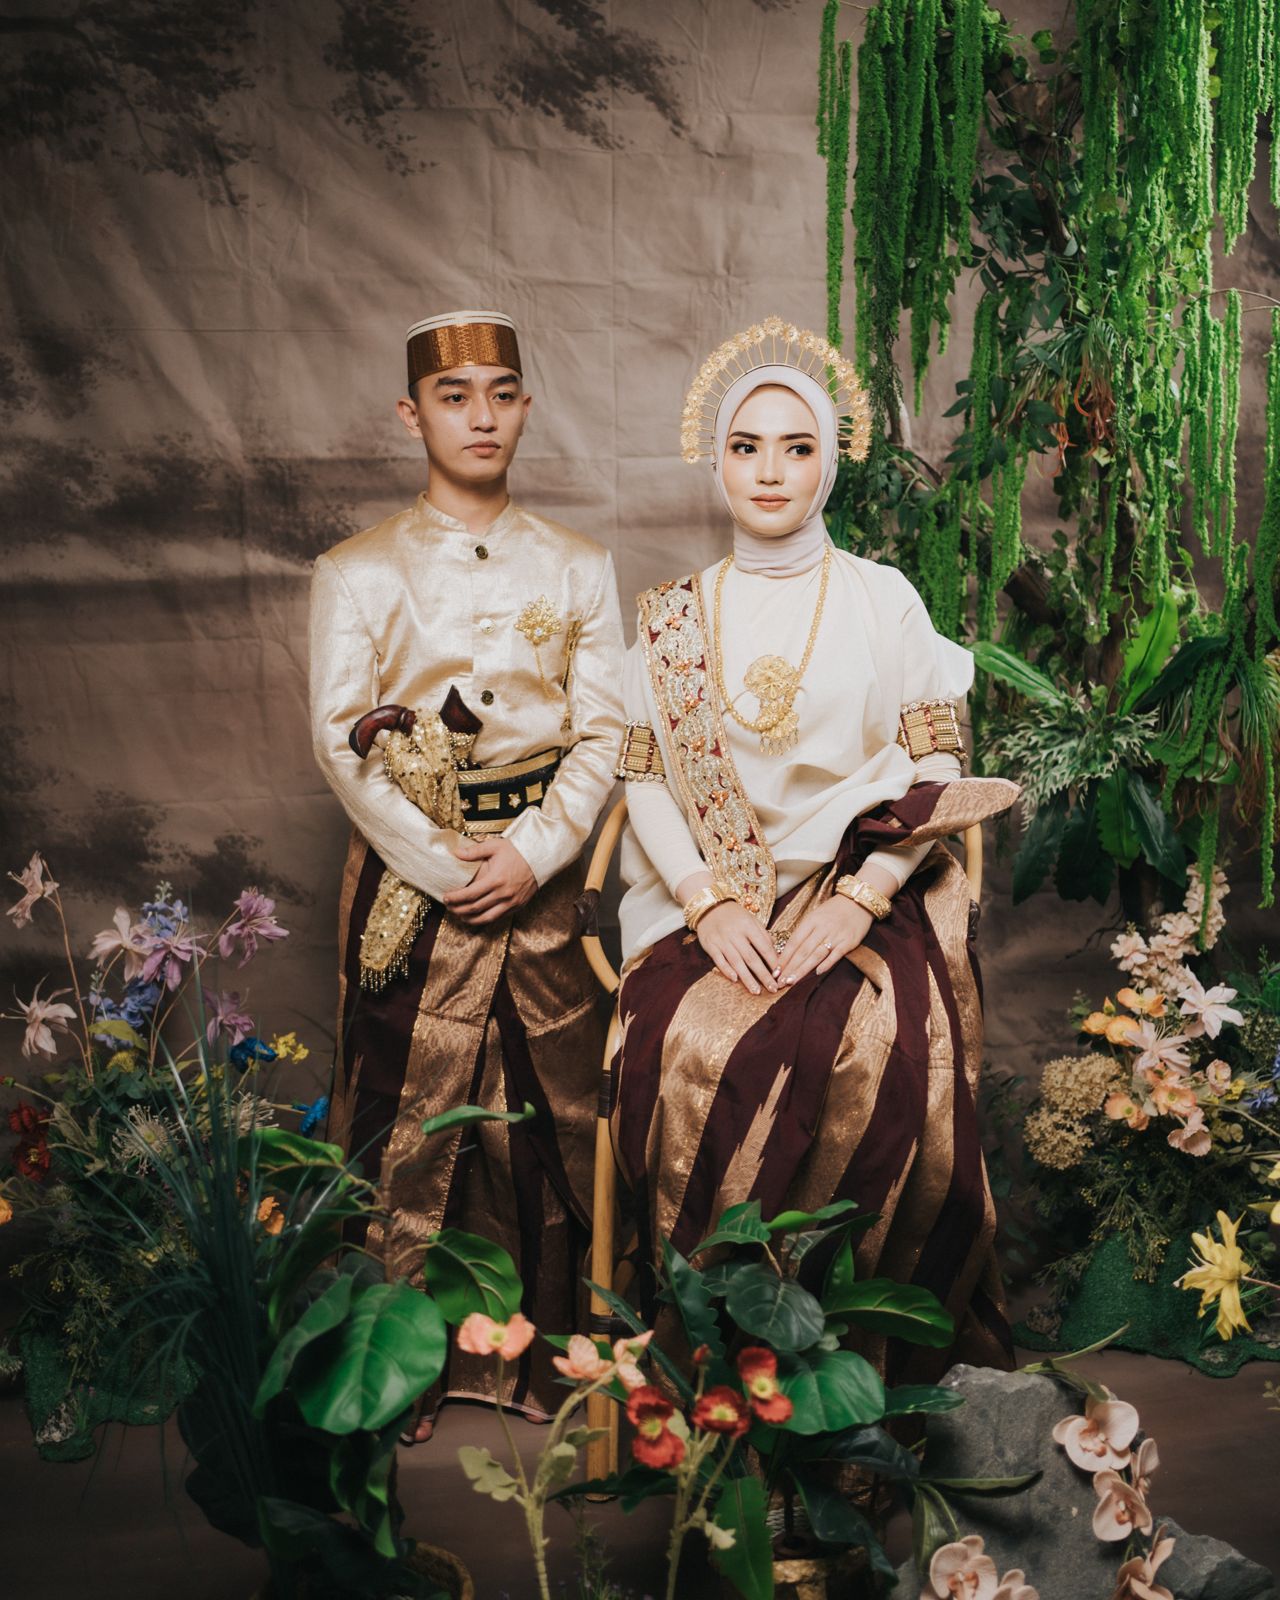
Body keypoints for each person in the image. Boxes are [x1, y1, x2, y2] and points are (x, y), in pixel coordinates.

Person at [610, 317, 1017, 1380]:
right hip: (716, 898)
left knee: (871, 1048)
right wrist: (706, 903)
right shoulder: (672, 619)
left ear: (828, 463)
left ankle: (862, 1351)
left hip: (869, 884)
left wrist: (863, 894)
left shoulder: (883, 598)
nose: (768, 470)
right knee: (685, 1050)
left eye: (796, 447)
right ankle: (716, 1352)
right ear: (715, 461)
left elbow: (937, 769)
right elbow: (643, 775)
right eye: (745, 446)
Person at [310, 310, 624, 1436]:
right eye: (453, 397)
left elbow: (605, 732)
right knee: (406, 1112)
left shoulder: (581, 566)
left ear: (526, 406)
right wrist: (442, 862)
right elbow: (340, 742)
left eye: (500, 392)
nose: (479, 415)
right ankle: (399, 1369)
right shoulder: (354, 572)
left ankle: (548, 1358)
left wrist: (534, 851)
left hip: (543, 881)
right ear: (412, 416)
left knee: (553, 1110)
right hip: (411, 885)